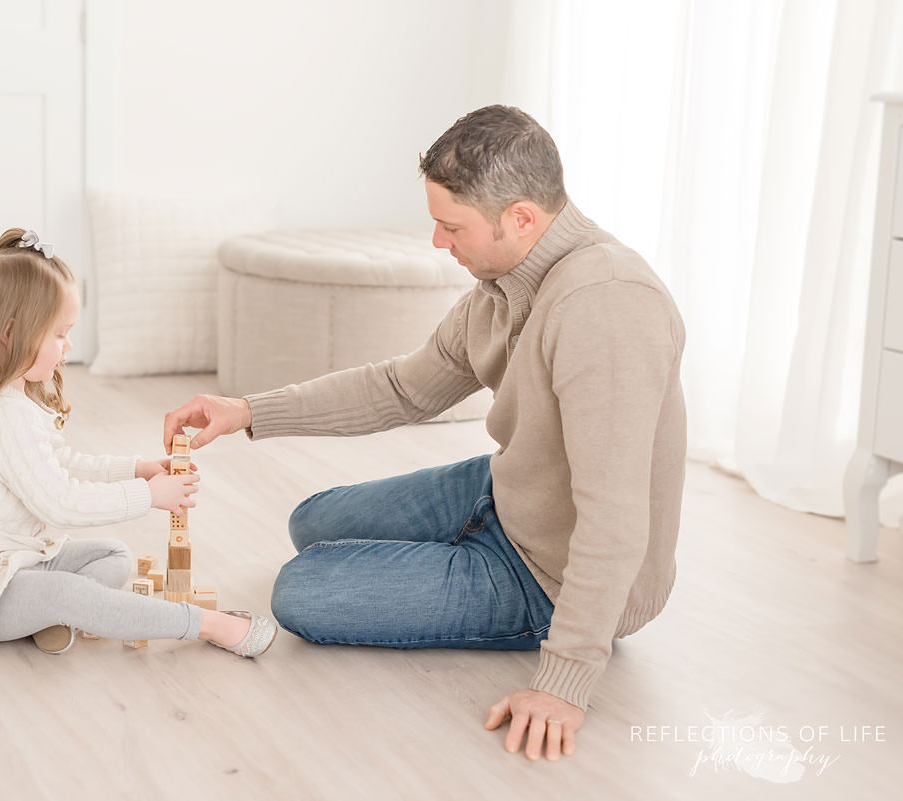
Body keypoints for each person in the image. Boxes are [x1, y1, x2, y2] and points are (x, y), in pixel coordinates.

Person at [163, 106, 685, 761]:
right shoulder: (500, 284)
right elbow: (403, 387)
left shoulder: (606, 306)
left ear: (521, 218)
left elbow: (615, 519)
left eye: (451, 227)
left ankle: (492, 579)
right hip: (506, 493)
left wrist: (565, 684)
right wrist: (247, 410)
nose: (439, 243)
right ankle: (461, 541)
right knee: (311, 522)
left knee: (301, 590)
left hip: (548, 573)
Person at [0, 228, 276, 659]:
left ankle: (49, 617)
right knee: (69, 592)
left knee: (113, 556)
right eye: (59, 335)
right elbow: (60, 503)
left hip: (17, 562)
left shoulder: (15, 400)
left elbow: (62, 462)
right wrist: (147, 495)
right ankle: (207, 626)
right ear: (11, 334)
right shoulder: (3, 416)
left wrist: (135, 469)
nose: (68, 347)